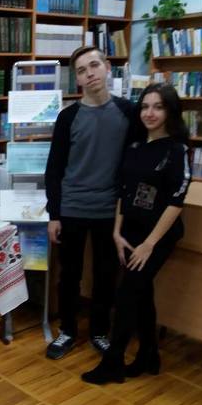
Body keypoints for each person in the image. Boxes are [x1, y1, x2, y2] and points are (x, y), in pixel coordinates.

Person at [82, 83, 191, 385]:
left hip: (158, 236)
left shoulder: (177, 150)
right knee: (141, 293)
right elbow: (124, 190)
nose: (149, 113)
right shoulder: (135, 146)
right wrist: (117, 231)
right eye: (145, 106)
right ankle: (149, 355)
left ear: (170, 111)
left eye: (158, 107)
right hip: (130, 231)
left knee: (127, 293)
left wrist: (149, 245)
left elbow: (176, 201)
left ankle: (113, 362)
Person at [44, 46, 134, 359]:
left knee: (106, 275)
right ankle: (67, 331)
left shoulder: (128, 112)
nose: (90, 73)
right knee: (69, 275)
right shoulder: (68, 117)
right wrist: (54, 214)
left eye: (94, 65)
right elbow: (54, 169)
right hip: (72, 208)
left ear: (107, 67)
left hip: (110, 211)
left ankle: (98, 331)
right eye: (82, 70)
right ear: (78, 79)